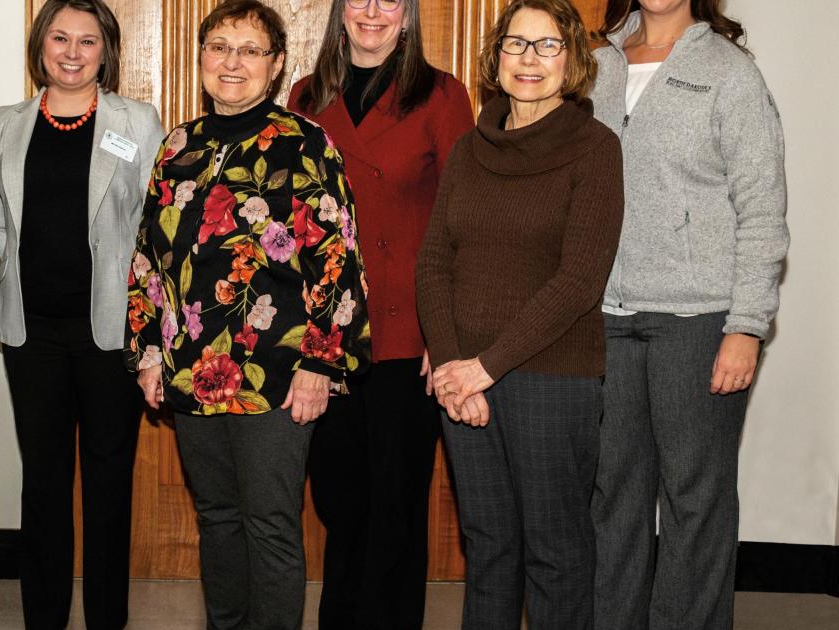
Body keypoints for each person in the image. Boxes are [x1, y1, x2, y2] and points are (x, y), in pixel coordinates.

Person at [126, 1, 371, 627]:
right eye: (219, 47)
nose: (231, 62)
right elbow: (150, 257)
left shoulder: (303, 143)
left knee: (269, 524)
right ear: (201, 58)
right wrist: (150, 350)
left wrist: (321, 364)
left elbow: (337, 260)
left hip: (277, 374)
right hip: (191, 370)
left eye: (249, 50)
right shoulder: (179, 145)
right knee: (217, 519)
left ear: (277, 64)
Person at [414, 0, 623, 627]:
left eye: (548, 45)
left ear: (574, 60)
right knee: (489, 550)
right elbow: (433, 264)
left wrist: (486, 367)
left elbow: (581, 280)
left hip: (552, 381)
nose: (529, 59)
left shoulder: (594, 149)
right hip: (464, 381)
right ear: (495, 56)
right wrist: (453, 365)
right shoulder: (469, 148)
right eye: (516, 44)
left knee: (556, 557)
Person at [589, 1, 789, 628]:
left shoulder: (731, 74)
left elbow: (762, 208)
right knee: (611, 502)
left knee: (694, 505)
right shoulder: (594, 65)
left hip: (698, 321)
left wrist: (746, 326)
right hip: (602, 319)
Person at [0, 0, 164, 627]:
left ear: (106, 50)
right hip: (32, 334)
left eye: (88, 40)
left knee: (109, 485)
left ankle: (108, 617)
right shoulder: (6, 123)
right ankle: (45, 618)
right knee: (44, 484)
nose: (73, 51)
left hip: (111, 333)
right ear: (42, 46)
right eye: (60, 38)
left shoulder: (137, 122)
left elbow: (154, 226)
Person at [287, 0, 471, 626]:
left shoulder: (442, 96)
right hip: (328, 339)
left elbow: (462, 222)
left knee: (396, 509)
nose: (372, 10)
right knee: (340, 503)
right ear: (339, 12)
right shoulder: (306, 96)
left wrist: (446, 334)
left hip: (407, 335)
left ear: (407, 13)